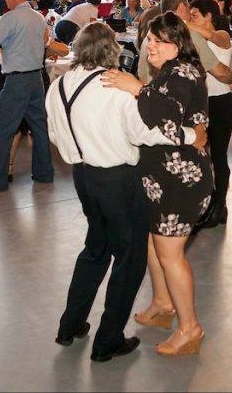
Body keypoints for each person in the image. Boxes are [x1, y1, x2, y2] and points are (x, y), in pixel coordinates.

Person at [46, 22, 206, 362]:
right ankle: (109, 339)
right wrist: (194, 136)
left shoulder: (57, 85)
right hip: (118, 180)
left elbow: (56, 136)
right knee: (130, 259)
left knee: (95, 249)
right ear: (111, 51)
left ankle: (70, 325)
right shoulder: (114, 87)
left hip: (82, 178)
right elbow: (146, 133)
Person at [100, 13, 212, 358]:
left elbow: (166, 115)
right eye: (150, 39)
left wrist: (136, 88)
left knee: (170, 254)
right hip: (161, 179)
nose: (150, 44)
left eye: (159, 40)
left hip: (181, 181)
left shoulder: (183, 71)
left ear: (177, 44)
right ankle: (163, 304)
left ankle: (190, 328)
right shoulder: (167, 71)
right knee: (152, 242)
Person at [0, 0, 67, 191]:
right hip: (36, 79)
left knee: (3, 130)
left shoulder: (10, 18)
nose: (4, 0)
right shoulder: (38, 17)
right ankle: (44, 173)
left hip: (17, 81)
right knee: (39, 128)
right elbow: (44, 43)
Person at [184, 0, 232, 229]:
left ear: (208, 16)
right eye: (190, 15)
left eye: (195, 15)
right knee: (201, 156)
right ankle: (209, 202)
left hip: (221, 103)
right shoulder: (194, 40)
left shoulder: (222, 35)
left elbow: (212, 37)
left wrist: (182, 22)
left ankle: (220, 206)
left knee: (219, 157)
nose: (191, 19)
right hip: (201, 104)